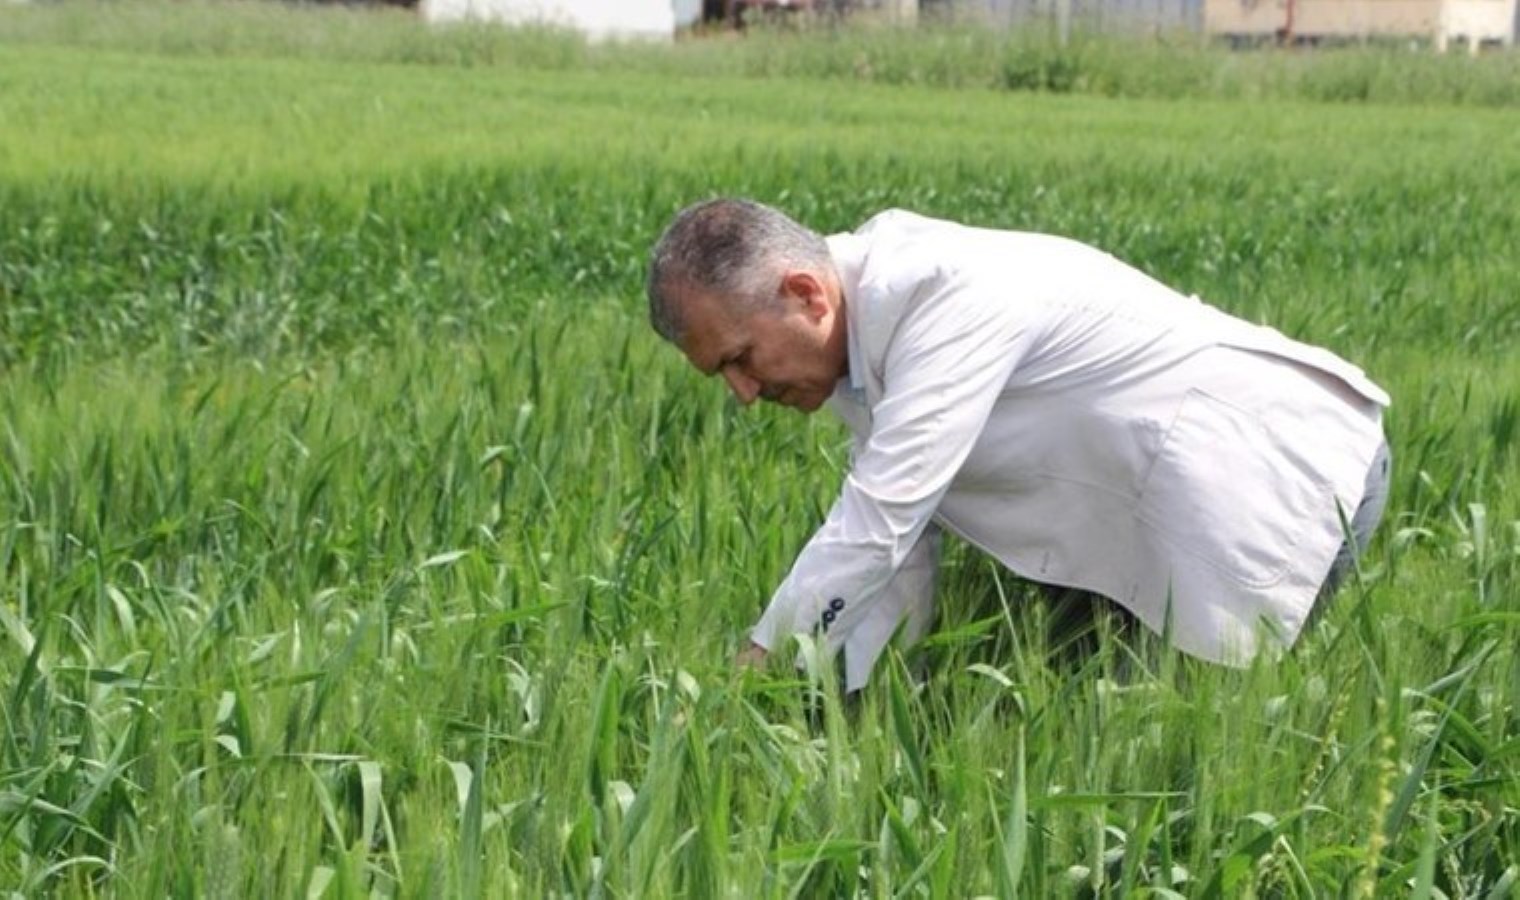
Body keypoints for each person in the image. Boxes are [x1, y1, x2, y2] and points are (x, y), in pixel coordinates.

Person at [646, 198, 1391, 690]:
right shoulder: (862, 345)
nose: (743, 393)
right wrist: (850, 712)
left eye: (739, 359)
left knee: (1178, 766)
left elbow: (878, 525)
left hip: (1278, 483)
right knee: (1094, 735)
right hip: (1143, 522)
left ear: (806, 294)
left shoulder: (944, 300)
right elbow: (900, 559)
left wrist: (756, 665)